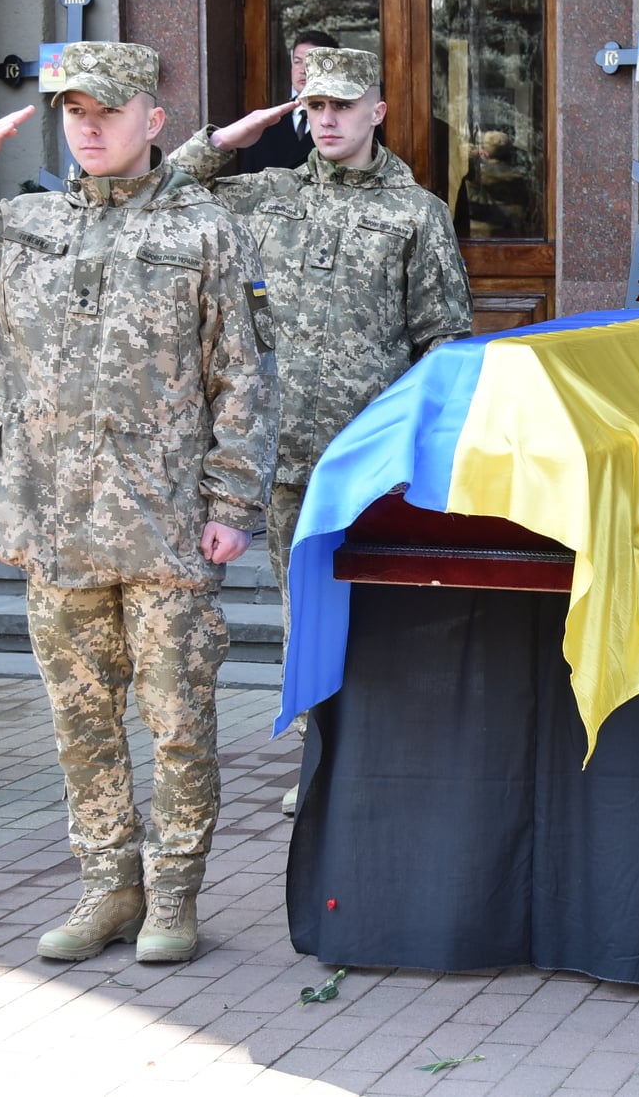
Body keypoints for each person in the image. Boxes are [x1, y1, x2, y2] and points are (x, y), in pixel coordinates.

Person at [0, 41, 279, 964]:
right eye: (73, 113)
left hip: (165, 525)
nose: (89, 128)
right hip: (53, 525)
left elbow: (243, 380)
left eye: (107, 111)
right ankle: (106, 888)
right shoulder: (17, 226)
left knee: (178, 723)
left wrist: (232, 501)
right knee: (81, 724)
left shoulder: (205, 231)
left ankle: (173, 896)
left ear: (153, 120)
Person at [170, 47, 477, 814]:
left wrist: (424, 448)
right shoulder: (264, 197)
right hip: (284, 456)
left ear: (377, 110)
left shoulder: (417, 214)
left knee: (386, 604)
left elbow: (444, 340)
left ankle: (390, 742)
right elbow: (165, 191)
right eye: (314, 106)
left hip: (372, 457)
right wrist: (225, 142)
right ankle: (319, 745)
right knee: (301, 605)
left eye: (343, 104)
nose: (327, 118)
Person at [238, 29, 336, 174]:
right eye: (297, 62)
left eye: (311, 63)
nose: (302, 70)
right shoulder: (265, 124)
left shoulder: (345, 122)